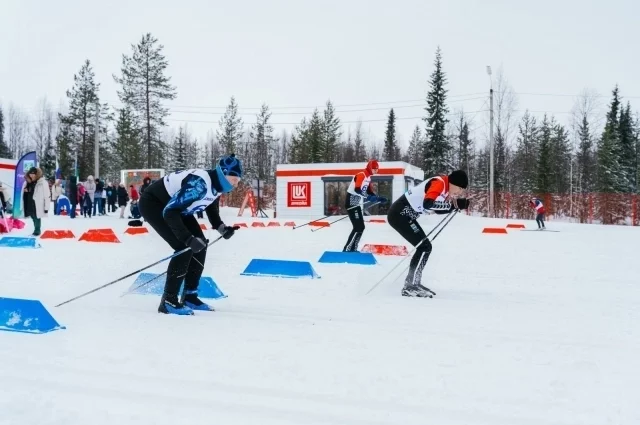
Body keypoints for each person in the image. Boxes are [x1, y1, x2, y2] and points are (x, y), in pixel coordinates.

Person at [139, 154, 243, 315]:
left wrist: (221, 228)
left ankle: (190, 296)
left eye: (238, 181)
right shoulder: (199, 184)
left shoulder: (216, 184)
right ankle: (168, 301)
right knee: (184, 246)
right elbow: (170, 212)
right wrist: (187, 239)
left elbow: (210, 206)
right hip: (155, 204)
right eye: (234, 180)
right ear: (223, 174)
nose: (236, 185)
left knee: (200, 243)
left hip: (176, 208)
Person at [387, 170, 470, 298]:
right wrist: (454, 205)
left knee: (425, 247)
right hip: (399, 214)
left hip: (407, 215)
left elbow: (436, 209)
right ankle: (410, 285)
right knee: (424, 247)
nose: (459, 192)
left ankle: (414, 282)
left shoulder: (445, 188)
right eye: (459, 188)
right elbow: (428, 203)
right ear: (452, 182)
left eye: (462, 191)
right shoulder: (439, 183)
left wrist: (455, 205)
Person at [343, 159, 388, 252]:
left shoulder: (368, 178)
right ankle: (347, 249)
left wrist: (379, 198)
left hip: (356, 204)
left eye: (377, 169)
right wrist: (367, 197)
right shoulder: (361, 175)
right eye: (375, 169)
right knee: (357, 227)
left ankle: (353, 248)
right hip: (351, 204)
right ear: (370, 168)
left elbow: (370, 193)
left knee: (361, 227)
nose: (376, 171)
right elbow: (357, 189)